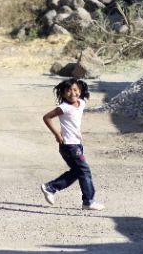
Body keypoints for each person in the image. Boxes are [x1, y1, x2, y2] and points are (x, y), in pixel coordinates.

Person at [40, 78, 105, 211]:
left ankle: (50, 188)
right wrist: (57, 134)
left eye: (75, 90)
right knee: (84, 171)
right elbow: (46, 117)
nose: (72, 93)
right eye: (68, 91)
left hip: (76, 144)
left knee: (78, 172)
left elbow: (83, 98)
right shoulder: (64, 107)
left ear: (80, 91)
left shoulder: (81, 103)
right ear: (63, 93)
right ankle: (88, 201)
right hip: (69, 145)